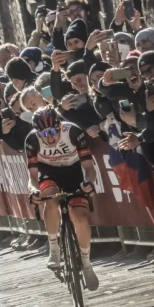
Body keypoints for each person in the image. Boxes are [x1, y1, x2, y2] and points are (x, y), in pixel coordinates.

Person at [25, 107, 99, 290]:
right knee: (49, 197)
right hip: (49, 173)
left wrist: (89, 184)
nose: (49, 138)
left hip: (73, 172)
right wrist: (34, 191)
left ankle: (87, 263)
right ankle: (54, 248)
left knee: (79, 217)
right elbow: (32, 177)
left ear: (60, 126)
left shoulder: (73, 132)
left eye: (52, 131)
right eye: (44, 133)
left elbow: (89, 168)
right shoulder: (32, 140)